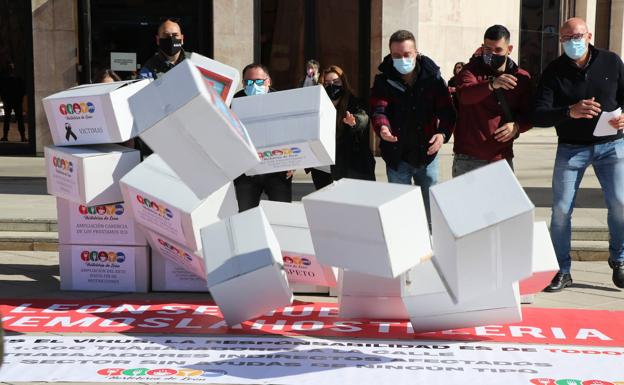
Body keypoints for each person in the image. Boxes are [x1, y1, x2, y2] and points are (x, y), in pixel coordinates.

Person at [533, 18, 624, 292]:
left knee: (620, 202)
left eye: (577, 36)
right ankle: (562, 270)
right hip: (571, 148)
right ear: (560, 40)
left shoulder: (611, 61)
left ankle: (619, 258)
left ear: (589, 36)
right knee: (560, 209)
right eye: (566, 38)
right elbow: (538, 114)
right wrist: (568, 112)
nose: (573, 42)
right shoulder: (553, 71)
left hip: (612, 145)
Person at [370, 29, 455, 220]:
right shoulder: (383, 80)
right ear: (390, 55)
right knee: (401, 213)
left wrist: (442, 135)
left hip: (427, 154)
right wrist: (382, 127)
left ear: (416, 52)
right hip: (397, 155)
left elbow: (447, 112)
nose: (402, 59)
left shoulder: (432, 79)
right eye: (396, 56)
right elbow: (379, 110)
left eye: (407, 54)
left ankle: (432, 243)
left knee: (432, 211)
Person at [453, 25, 532, 177]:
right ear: (482, 47)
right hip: (468, 157)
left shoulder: (521, 77)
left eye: (498, 50)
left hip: (501, 157)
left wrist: (517, 126)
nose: (492, 54)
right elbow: (465, 95)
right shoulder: (470, 71)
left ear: (509, 49)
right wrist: (491, 85)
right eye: (488, 49)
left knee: (503, 201)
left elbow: (529, 114)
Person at [232, 63, 293, 211]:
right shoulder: (234, 101)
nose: (254, 85)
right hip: (247, 170)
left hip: (277, 168)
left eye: (259, 81)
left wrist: (293, 162)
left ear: (268, 81)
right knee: (245, 214)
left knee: (281, 214)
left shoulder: (281, 101)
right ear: (243, 83)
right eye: (249, 82)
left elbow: (291, 131)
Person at [310, 65, 375, 189]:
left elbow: (363, 117)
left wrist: (354, 121)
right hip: (322, 167)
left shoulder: (354, 102)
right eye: (327, 83)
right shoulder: (316, 104)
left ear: (343, 83)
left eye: (336, 82)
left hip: (348, 164)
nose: (332, 86)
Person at [136, 17, 190, 157]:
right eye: (166, 36)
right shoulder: (148, 69)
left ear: (182, 38)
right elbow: (145, 106)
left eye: (175, 35)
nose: (171, 39)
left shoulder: (194, 63)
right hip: (162, 142)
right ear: (158, 40)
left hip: (191, 137)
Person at [1, 62, 26, 142]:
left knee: (7, 119)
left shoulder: (5, 79)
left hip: (11, 101)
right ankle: (22, 137)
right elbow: (22, 89)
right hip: (15, 101)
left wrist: (4, 99)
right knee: (18, 119)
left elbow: (2, 90)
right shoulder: (17, 78)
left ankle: (6, 136)